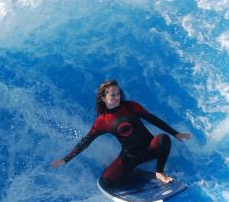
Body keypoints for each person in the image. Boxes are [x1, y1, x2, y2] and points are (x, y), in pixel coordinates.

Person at [51, 80, 191, 187]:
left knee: (163, 139)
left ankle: (159, 172)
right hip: (130, 156)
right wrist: (65, 159)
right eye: (113, 95)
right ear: (103, 98)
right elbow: (86, 142)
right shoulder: (102, 121)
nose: (118, 97)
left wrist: (175, 133)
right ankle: (130, 172)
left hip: (150, 149)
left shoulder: (131, 106)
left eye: (118, 94)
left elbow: (152, 119)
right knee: (106, 181)